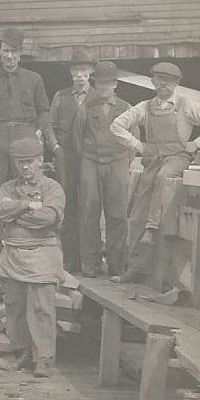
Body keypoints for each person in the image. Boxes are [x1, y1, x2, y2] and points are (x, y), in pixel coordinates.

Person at [110, 62, 200, 283]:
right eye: (159, 79)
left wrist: (196, 144)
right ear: (153, 81)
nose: (163, 84)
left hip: (177, 158)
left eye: (168, 80)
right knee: (136, 214)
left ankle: (152, 229)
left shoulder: (186, 106)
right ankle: (135, 269)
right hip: (152, 161)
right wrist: (139, 146)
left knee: (164, 178)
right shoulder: (144, 107)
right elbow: (116, 125)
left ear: (176, 83)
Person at [0, 137, 65, 378]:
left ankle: (43, 358)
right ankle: (22, 352)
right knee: (15, 306)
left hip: (43, 251)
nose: (24, 167)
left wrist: (14, 213)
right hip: (13, 252)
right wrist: (28, 205)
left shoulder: (52, 188)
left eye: (29, 162)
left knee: (41, 308)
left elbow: (47, 218)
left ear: (40, 161)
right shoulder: (7, 188)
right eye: (20, 162)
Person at [0, 27, 52, 244]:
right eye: (5, 51)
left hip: (24, 133)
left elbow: (44, 110)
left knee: (24, 183)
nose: (9, 56)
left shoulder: (34, 79)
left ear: (20, 53)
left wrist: (37, 132)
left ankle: (24, 235)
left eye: (14, 52)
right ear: (0, 51)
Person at [72, 61, 131, 278]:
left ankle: (117, 265)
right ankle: (91, 263)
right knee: (89, 210)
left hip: (117, 162)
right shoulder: (87, 107)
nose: (104, 87)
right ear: (95, 84)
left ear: (116, 84)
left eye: (108, 83)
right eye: (100, 83)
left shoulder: (126, 108)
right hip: (91, 161)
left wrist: (122, 161)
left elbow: (133, 140)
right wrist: (89, 156)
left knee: (117, 213)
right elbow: (78, 136)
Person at [47, 47, 95, 273]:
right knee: (67, 205)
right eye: (76, 70)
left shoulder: (97, 96)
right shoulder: (61, 96)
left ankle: (89, 259)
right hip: (66, 155)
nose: (79, 74)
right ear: (71, 73)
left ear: (91, 72)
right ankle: (69, 259)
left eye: (84, 70)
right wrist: (55, 147)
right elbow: (49, 125)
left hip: (90, 157)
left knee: (89, 205)